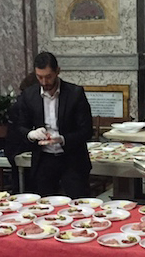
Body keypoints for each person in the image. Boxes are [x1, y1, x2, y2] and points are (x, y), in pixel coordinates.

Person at [14, 52, 93, 197]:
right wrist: (31, 134)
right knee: (44, 205)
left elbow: (86, 131)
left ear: (58, 71)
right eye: (40, 77)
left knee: (78, 203)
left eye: (48, 77)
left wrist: (62, 139)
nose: (44, 82)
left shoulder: (74, 93)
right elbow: (19, 126)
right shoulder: (29, 95)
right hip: (44, 160)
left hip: (72, 159)